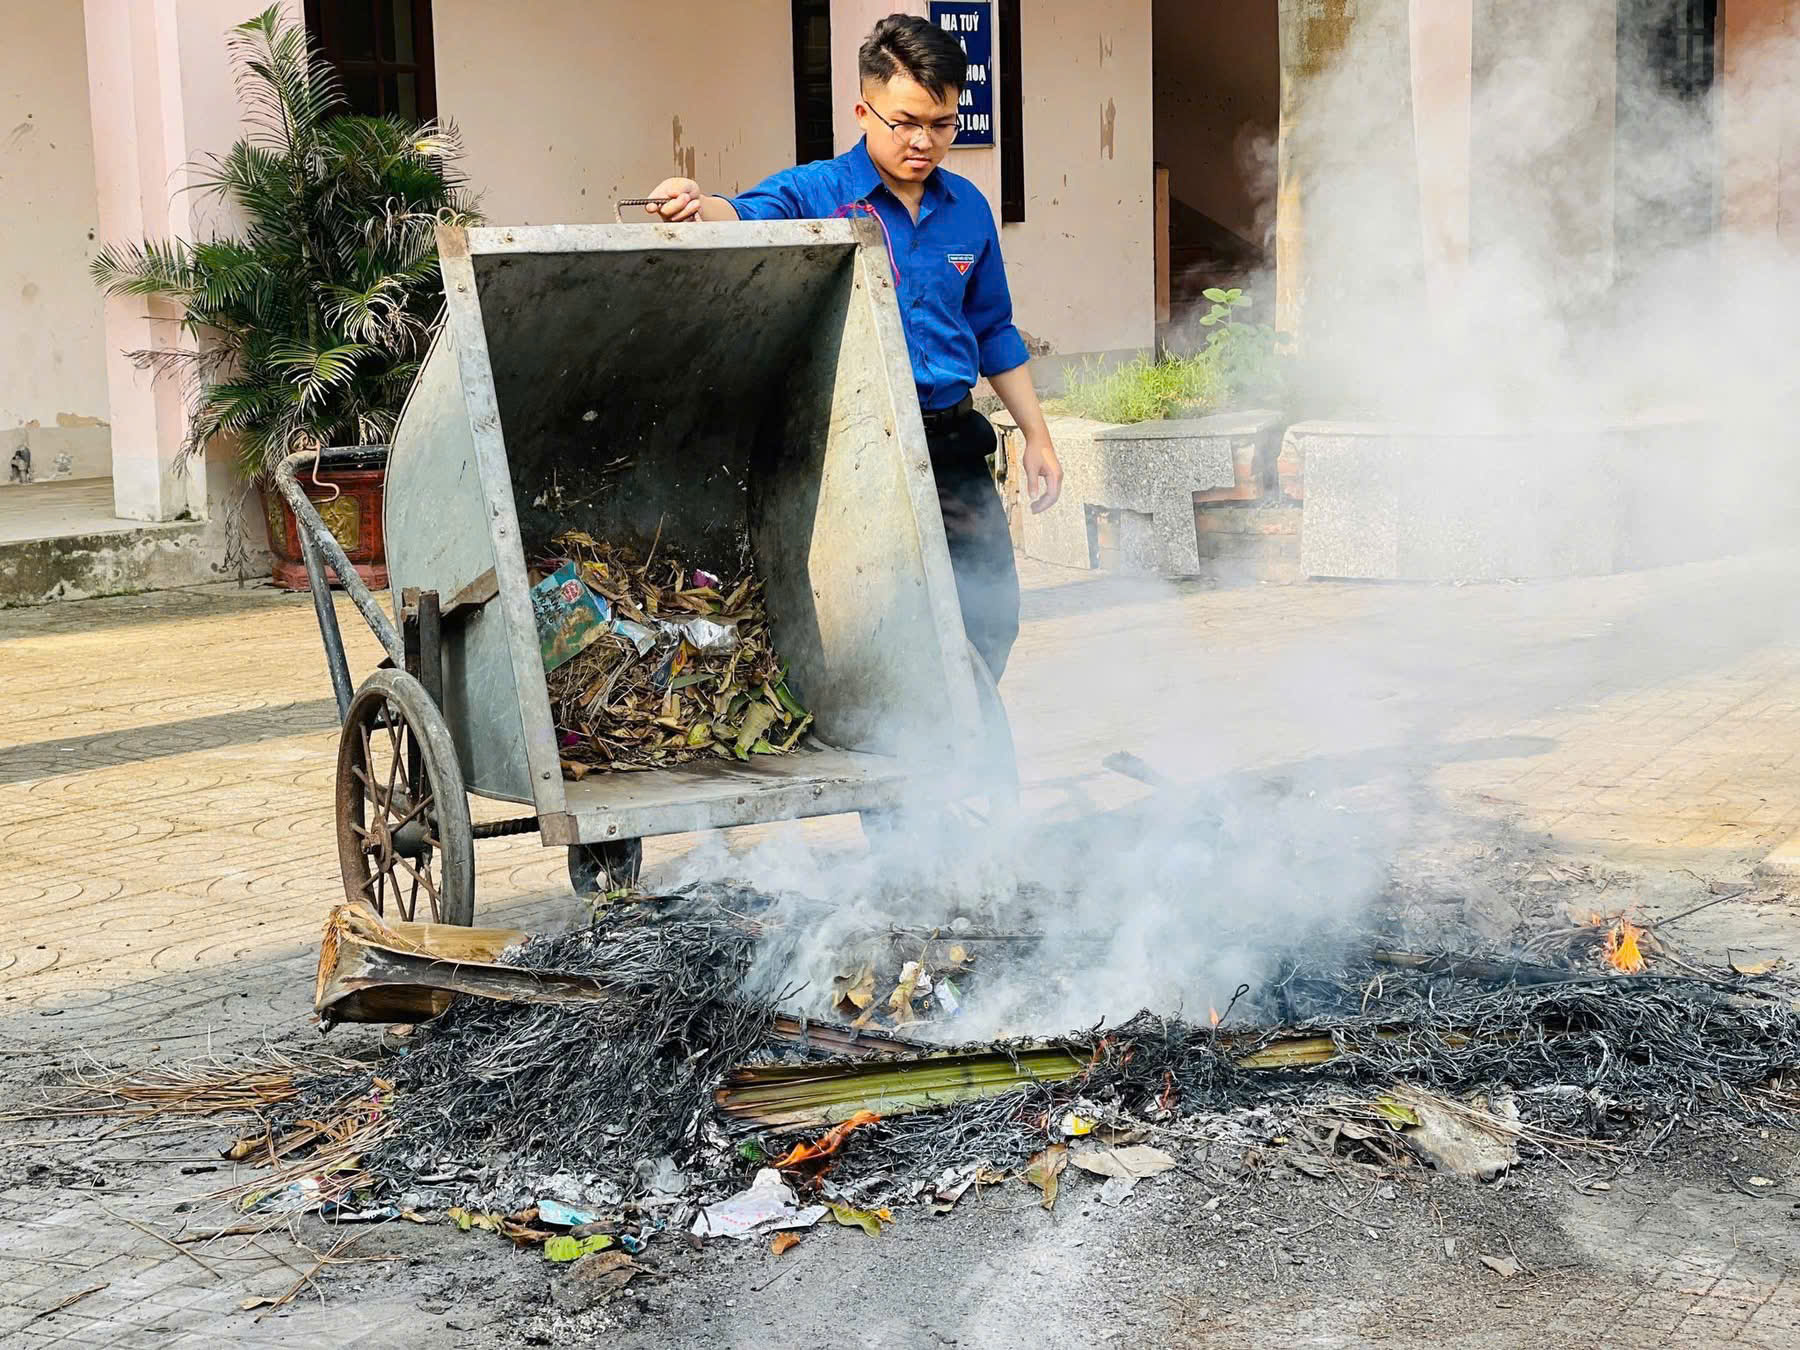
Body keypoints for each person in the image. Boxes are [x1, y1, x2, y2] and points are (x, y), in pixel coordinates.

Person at [643, 13, 1061, 682]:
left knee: (990, 616)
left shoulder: (970, 210)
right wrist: (698, 205)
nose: (924, 141)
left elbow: (993, 331)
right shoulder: (819, 194)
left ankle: (958, 760)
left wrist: (1039, 436)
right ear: (864, 110)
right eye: (906, 122)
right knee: (876, 623)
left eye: (942, 123)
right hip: (855, 449)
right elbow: (746, 212)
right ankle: (900, 765)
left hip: (952, 443)